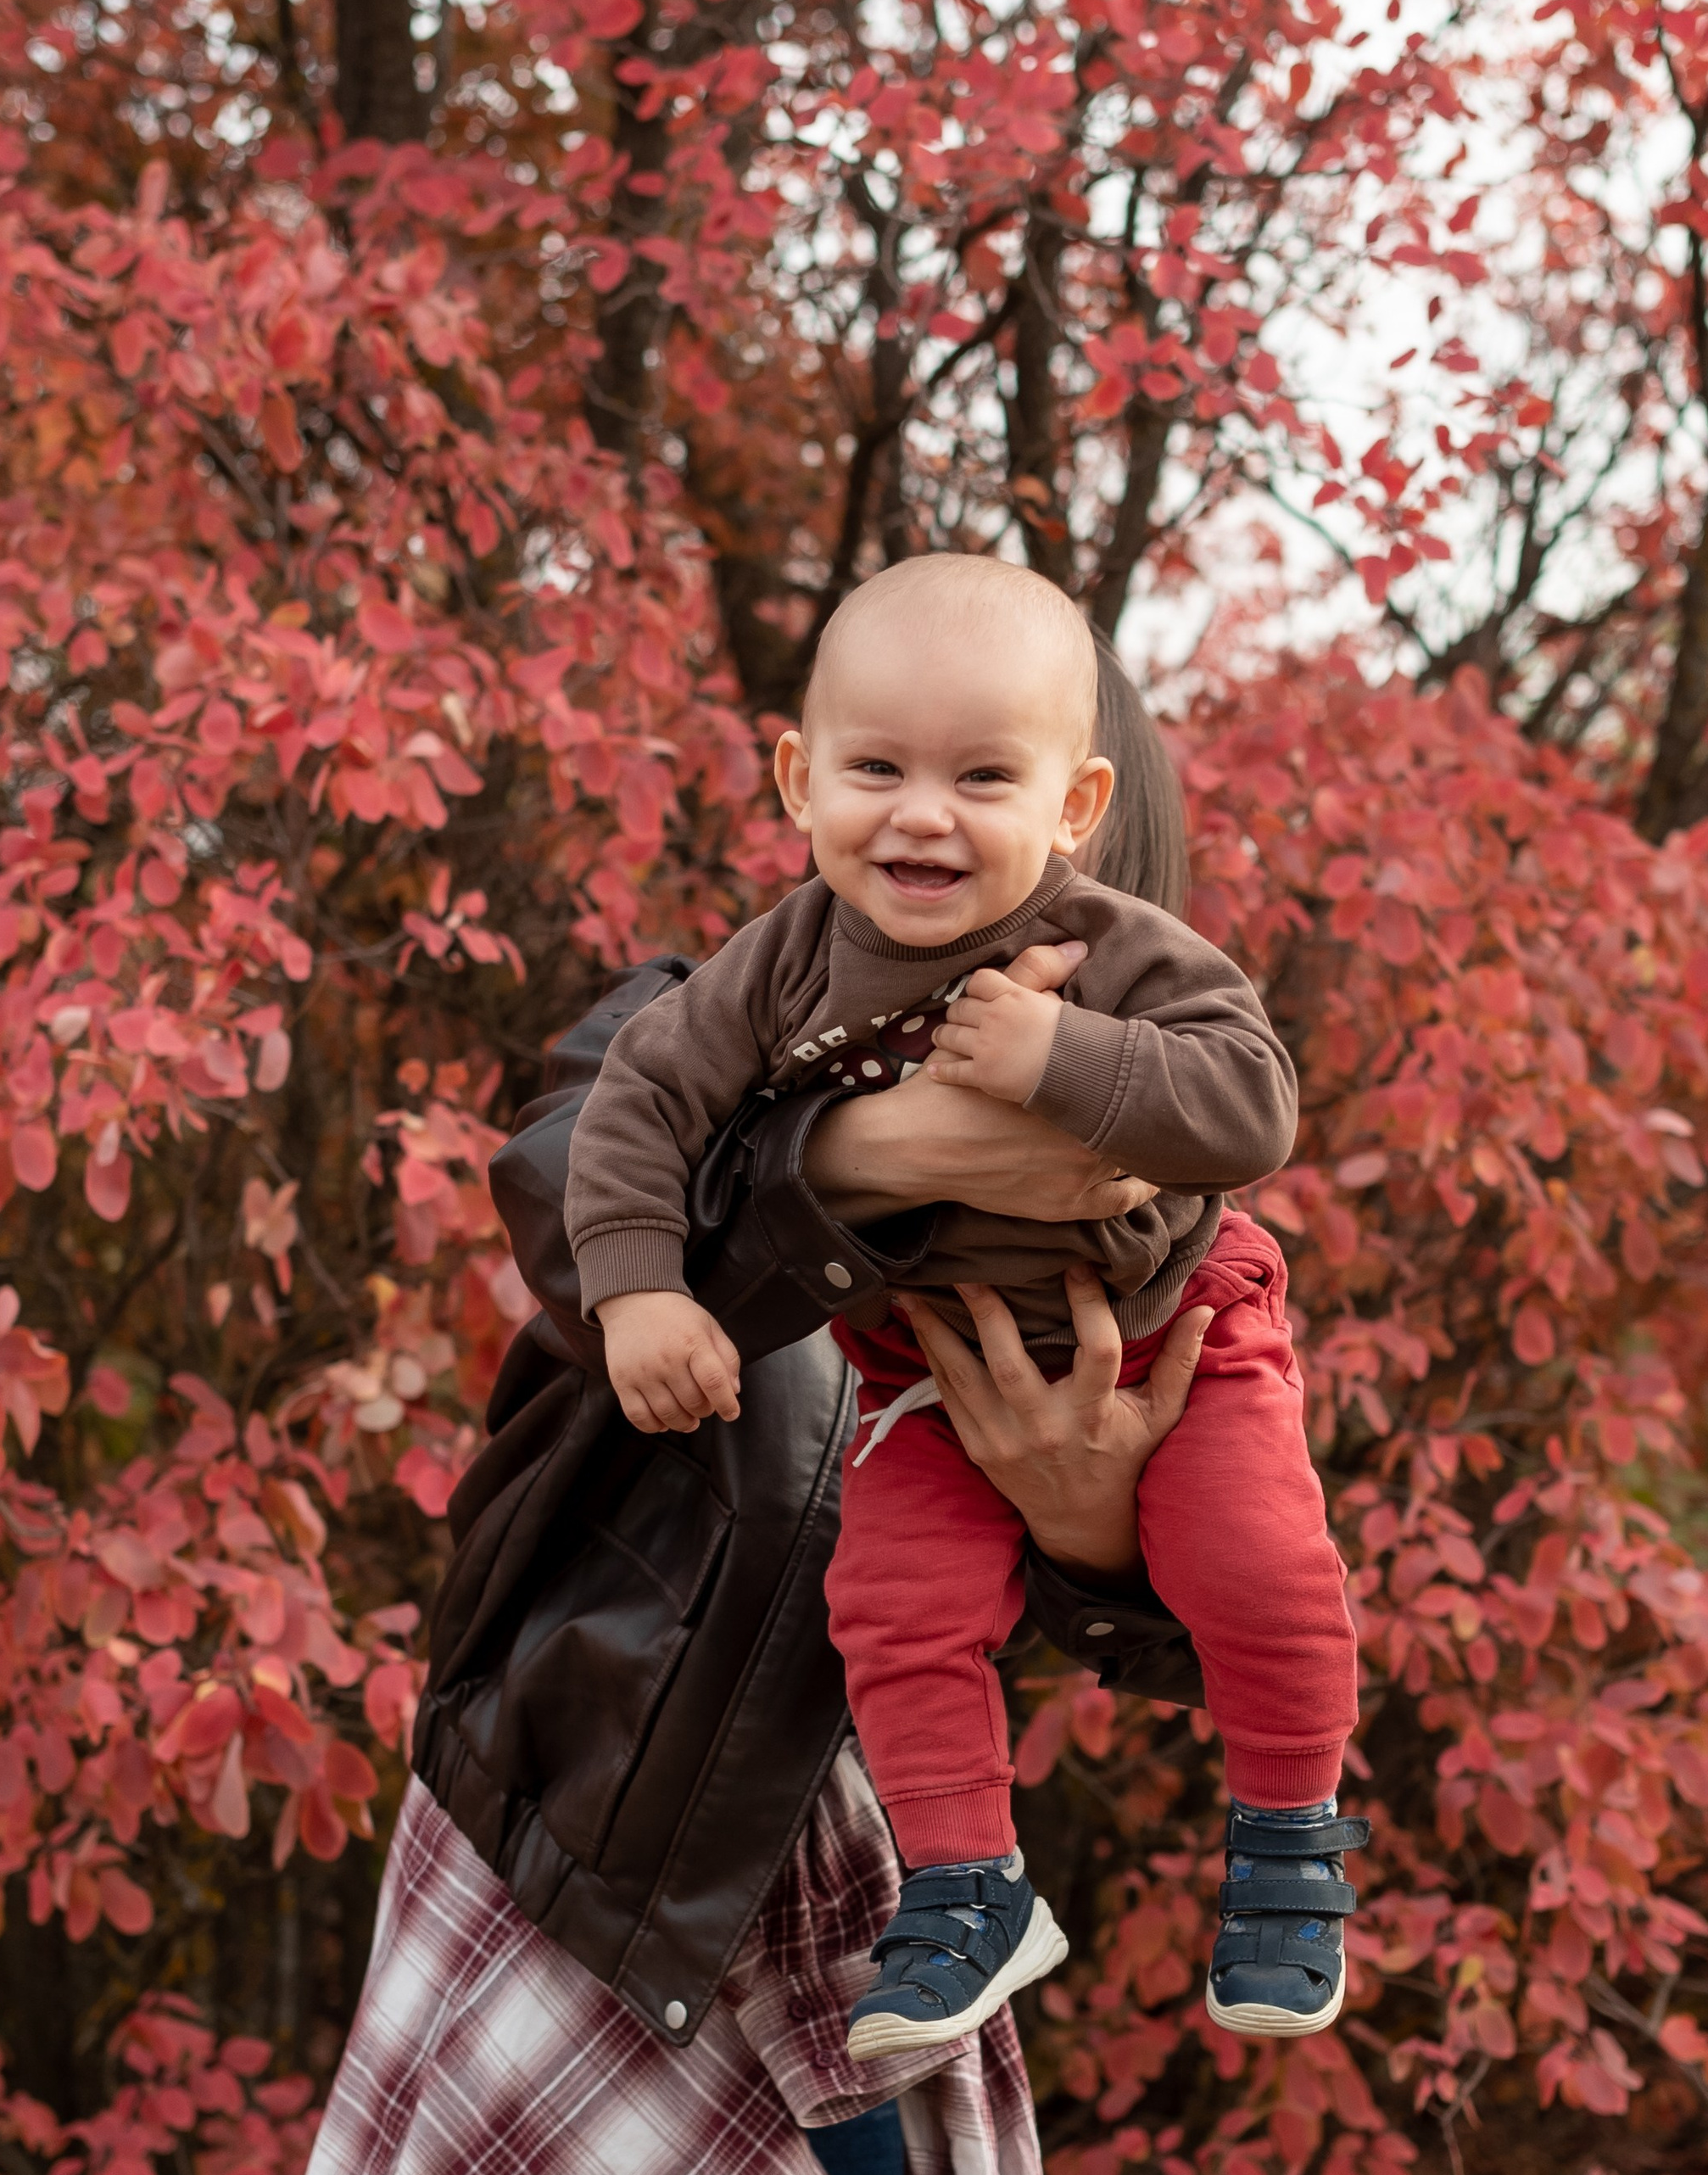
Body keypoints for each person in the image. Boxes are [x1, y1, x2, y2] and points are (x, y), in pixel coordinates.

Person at [287, 640, 1303, 2175]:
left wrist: (1077, 1518)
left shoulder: (1147, 1194)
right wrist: (873, 1144)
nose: (944, 837)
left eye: (1014, 796)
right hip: (614, 1876)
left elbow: (1177, 1595)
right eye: (888, 773)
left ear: (1089, 838)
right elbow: (585, 1197)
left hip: (878, 1881)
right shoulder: (676, 1028)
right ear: (808, 794)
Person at [565, 556, 1360, 2050]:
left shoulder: (1117, 946)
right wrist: (639, 1293)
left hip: (1186, 1333)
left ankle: (1287, 1841)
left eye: (983, 774)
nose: (923, 812)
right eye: (877, 767)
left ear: (1071, 809)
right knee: (891, 1607)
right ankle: (965, 1882)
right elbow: (636, 1103)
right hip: (924, 1370)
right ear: (801, 781)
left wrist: (1064, 1059)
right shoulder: (782, 963)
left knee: (1256, 1564)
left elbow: (1253, 1104)